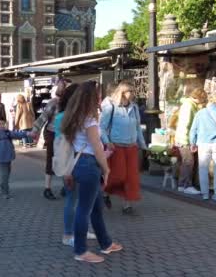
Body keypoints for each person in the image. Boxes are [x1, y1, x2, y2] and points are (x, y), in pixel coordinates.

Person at [61, 81, 122, 263]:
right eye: (98, 94)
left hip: (78, 164)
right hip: (89, 165)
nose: (100, 98)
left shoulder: (73, 117)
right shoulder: (89, 119)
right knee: (85, 210)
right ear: (92, 97)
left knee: (95, 208)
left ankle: (105, 243)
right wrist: (106, 168)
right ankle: (81, 251)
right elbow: (97, 147)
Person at [53, 83, 96, 247]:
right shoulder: (65, 117)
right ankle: (68, 234)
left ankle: (79, 230)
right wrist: (67, 170)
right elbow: (63, 145)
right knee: (73, 199)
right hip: (71, 162)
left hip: (77, 162)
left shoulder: (71, 116)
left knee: (79, 200)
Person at [100, 81, 147, 214]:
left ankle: (127, 204)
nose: (132, 94)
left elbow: (138, 127)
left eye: (133, 91)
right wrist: (107, 141)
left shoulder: (135, 107)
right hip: (116, 146)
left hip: (131, 146)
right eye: (130, 91)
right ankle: (106, 193)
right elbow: (101, 127)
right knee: (118, 176)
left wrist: (143, 145)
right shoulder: (111, 107)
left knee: (131, 177)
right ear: (122, 93)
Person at [189, 92, 216, 201]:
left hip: (203, 144)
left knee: (203, 169)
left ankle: (205, 193)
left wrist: (192, 143)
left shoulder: (200, 113)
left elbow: (193, 129)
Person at [31, 79, 71, 200]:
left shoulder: (71, 104)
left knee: (66, 160)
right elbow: (43, 118)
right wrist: (35, 130)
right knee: (51, 160)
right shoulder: (54, 103)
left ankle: (66, 186)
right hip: (52, 133)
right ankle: (47, 188)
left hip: (66, 135)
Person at [0, 116, 31, 199]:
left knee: (7, 173)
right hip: (0, 157)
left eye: (3, 124)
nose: (1, 125)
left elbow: (17, 134)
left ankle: (2, 186)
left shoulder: (8, 133)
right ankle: (5, 192)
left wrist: (27, 134)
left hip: (9, 156)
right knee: (5, 175)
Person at [175, 87, 208, 195]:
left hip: (183, 138)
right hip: (185, 139)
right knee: (188, 162)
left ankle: (182, 184)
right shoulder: (189, 106)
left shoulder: (190, 105)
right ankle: (186, 185)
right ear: (199, 98)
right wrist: (189, 141)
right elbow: (186, 125)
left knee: (186, 162)